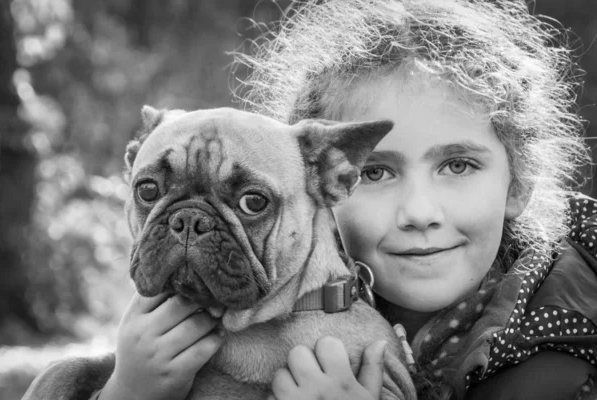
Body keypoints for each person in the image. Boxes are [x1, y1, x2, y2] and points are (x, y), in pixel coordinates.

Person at [232, 0, 597, 398]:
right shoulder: (268, 315)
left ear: (519, 184)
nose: (420, 213)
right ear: (313, 192)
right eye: (374, 172)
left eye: (458, 166)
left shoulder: (567, 341)